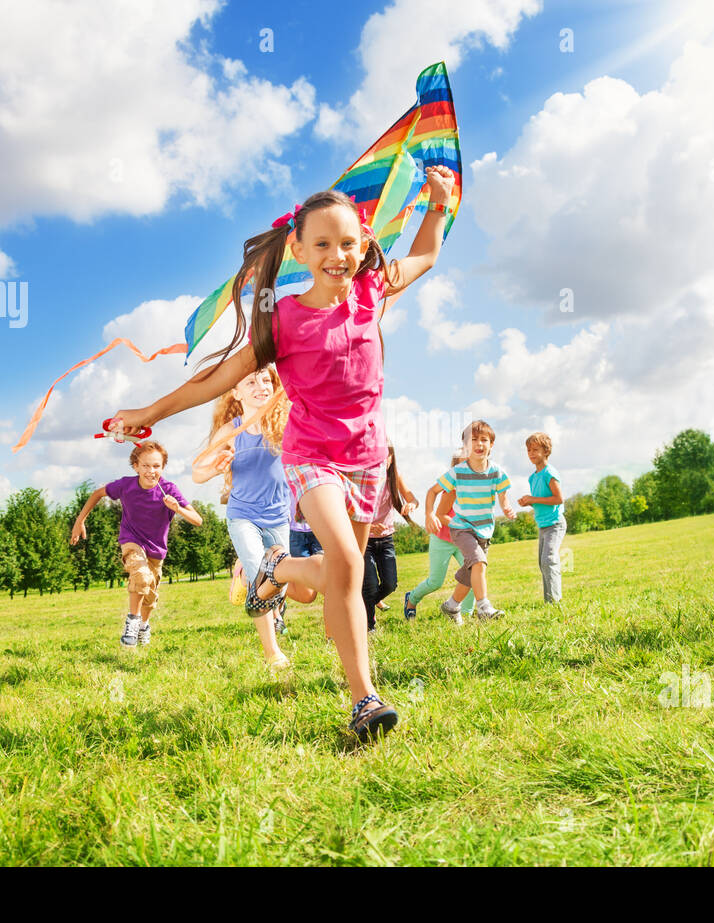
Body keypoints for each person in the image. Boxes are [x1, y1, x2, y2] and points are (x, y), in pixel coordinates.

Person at [109, 165, 457, 740]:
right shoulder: (283, 319)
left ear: (364, 244)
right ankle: (365, 700)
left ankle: (278, 568)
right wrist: (150, 413)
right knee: (346, 563)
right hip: (312, 456)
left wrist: (438, 206)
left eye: (348, 243)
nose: (337, 255)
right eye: (322, 244)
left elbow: (425, 256)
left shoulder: (372, 294)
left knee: (351, 578)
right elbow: (214, 380)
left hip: (367, 458)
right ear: (297, 248)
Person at [193, 366, 310, 669]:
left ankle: (243, 574)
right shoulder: (231, 431)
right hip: (243, 515)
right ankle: (273, 653)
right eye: (250, 381)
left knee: (277, 585)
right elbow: (197, 472)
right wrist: (216, 467)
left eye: (266, 380)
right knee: (263, 578)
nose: (260, 385)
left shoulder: (285, 423)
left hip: (278, 517)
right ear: (236, 392)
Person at [70, 440, 203, 648]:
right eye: (146, 466)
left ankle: (144, 625)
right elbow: (97, 494)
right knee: (141, 575)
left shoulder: (168, 489)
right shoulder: (126, 485)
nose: (151, 471)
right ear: (136, 466)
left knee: (150, 595)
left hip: (156, 550)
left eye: (156, 466)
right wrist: (80, 521)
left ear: (163, 467)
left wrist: (178, 509)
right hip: (131, 541)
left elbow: (198, 520)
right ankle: (132, 622)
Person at [434, 420, 515, 624]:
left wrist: (506, 507)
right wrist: (459, 526)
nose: (478, 445)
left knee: (470, 573)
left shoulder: (494, 472)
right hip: (463, 530)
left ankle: (451, 605)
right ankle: (484, 607)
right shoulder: (456, 480)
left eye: (483, 440)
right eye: (473, 441)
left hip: (484, 531)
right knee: (478, 563)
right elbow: (441, 513)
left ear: (491, 445)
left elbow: (503, 494)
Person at [402, 453, 476, 621]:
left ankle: (466, 615)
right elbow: (441, 515)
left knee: (472, 576)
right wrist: (464, 526)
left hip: (461, 540)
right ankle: (411, 599)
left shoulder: (474, 491)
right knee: (435, 581)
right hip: (442, 539)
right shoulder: (452, 490)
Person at [362, 444, 418, 633]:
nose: (381, 461)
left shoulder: (394, 477)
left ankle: (365, 603)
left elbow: (412, 498)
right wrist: (368, 526)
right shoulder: (362, 479)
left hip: (386, 539)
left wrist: (411, 504)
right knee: (369, 585)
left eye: (386, 457)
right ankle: (369, 626)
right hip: (364, 540)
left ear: (391, 458)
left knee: (390, 584)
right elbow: (349, 511)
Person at [518, 432, 566, 603]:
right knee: (542, 563)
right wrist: (528, 502)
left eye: (535, 449)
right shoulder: (533, 477)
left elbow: (558, 499)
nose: (531, 453)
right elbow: (542, 499)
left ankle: (555, 601)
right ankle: (549, 601)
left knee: (548, 560)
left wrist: (533, 499)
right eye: (529, 450)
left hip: (555, 523)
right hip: (543, 524)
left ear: (546, 451)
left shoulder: (549, 473)